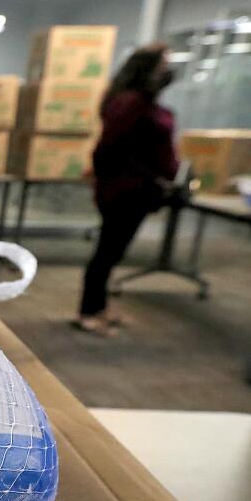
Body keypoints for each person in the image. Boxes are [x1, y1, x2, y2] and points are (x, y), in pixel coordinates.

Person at [75, 43, 179, 335]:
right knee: (107, 252)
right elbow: (107, 148)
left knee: (112, 252)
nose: (168, 71)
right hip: (126, 190)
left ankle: (99, 308)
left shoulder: (139, 102)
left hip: (132, 187)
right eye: (163, 65)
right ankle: (87, 312)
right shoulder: (130, 104)